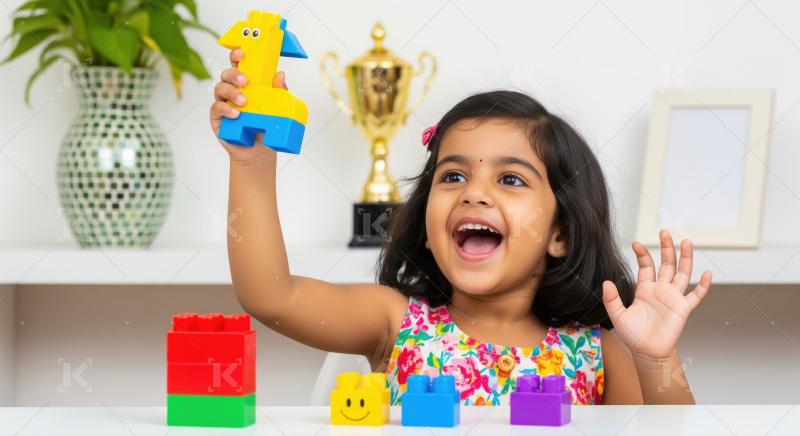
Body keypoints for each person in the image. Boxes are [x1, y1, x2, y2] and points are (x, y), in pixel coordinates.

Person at [210, 48, 713, 406]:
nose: (474, 191)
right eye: (453, 175)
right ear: (428, 224)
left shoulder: (595, 353)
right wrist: (251, 164)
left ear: (561, 234)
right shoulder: (392, 321)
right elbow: (271, 297)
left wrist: (655, 358)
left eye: (511, 178)